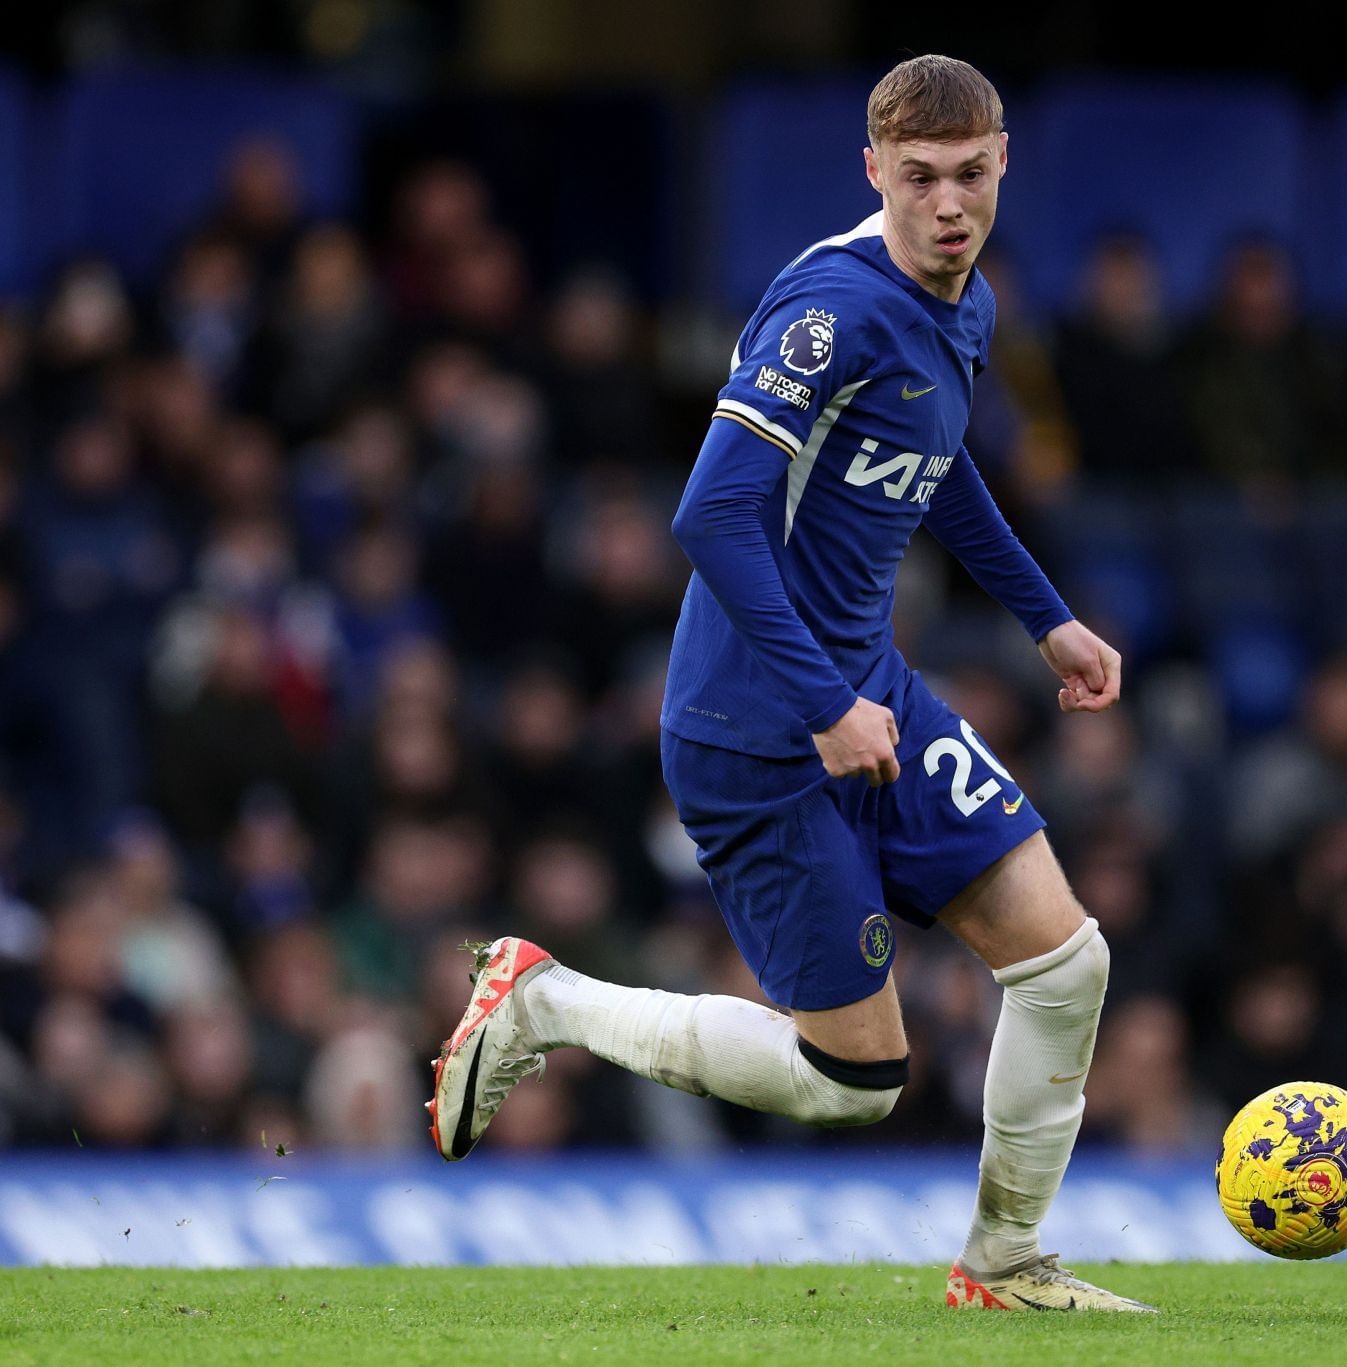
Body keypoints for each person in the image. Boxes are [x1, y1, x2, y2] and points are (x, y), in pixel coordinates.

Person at [427, 56, 1146, 1313]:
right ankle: (545, 999)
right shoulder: (830, 307)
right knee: (853, 1080)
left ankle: (1005, 1264)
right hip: (756, 724)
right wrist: (823, 707)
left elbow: (940, 458)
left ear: (1003, 162)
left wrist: (1046, 618)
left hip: (868, 687)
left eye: (970, 175)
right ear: (874, 173)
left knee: (1066, 960)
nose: (949, 205)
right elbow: (709, 516)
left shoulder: (964, 300)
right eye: (919, 179)